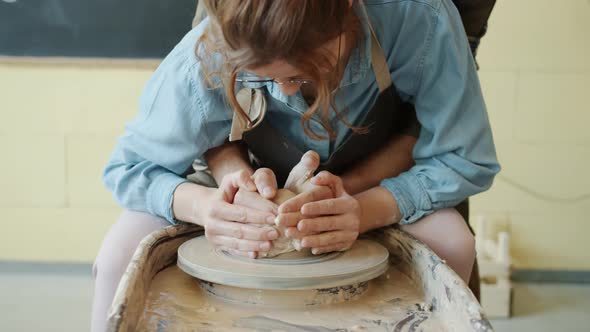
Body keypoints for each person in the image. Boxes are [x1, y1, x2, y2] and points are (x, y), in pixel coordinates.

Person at [91, 1, 500, 331]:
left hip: (383, 172)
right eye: (260, 77)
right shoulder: (209, 44)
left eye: (300, 74)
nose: (286, 90)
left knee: (455, 243)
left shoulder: (417, 17)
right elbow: (127, 167)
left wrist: (364, 209)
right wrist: (210, 204)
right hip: (251, 174)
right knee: (116, 256)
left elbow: (465, 156)